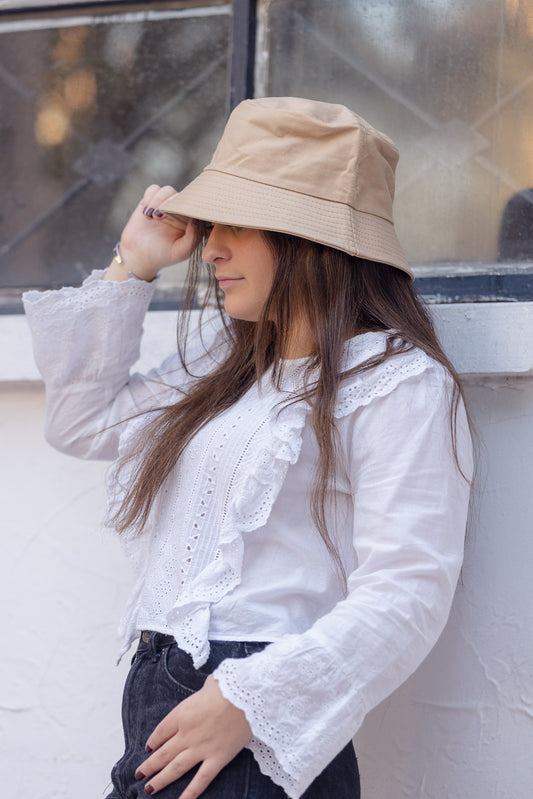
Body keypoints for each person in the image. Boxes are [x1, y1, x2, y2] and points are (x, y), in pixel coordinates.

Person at [23, 97, 473, 799]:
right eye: (212, 225)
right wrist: (132, 265)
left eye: (237, 224)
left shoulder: (395, 381)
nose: (210, 249)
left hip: (253, 724)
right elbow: (83, 421)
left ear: (308, 239)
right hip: (164, 702)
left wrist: (248, 702)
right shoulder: (223, 365)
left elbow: (408, 589)